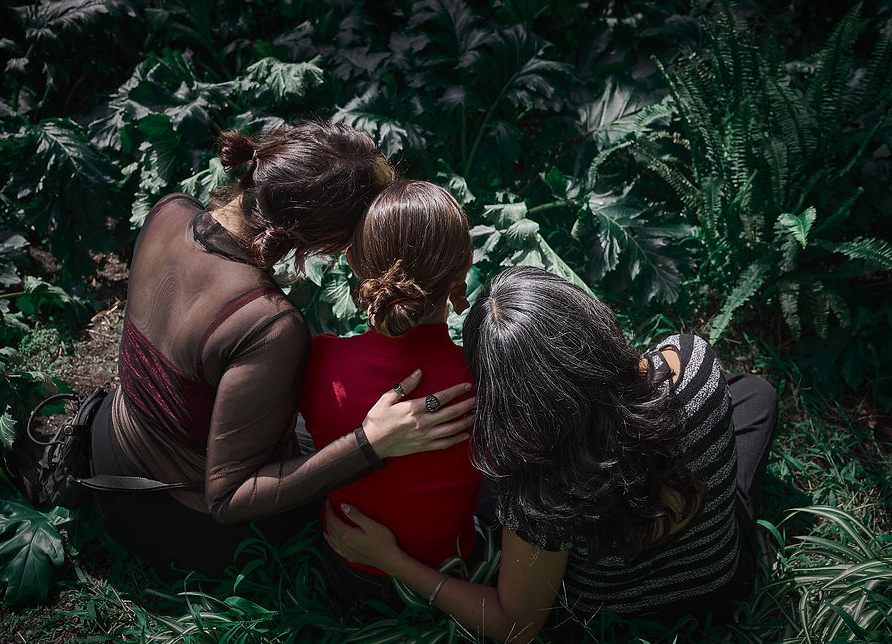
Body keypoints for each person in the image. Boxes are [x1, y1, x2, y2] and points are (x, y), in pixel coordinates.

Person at [90, 122, 475, 576]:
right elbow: (227, 499)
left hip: (107, 454)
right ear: (330, 241)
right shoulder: (268, 323)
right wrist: (370, 444)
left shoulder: (168, 210)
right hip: (179, 522)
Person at [325, 266, 777, 641]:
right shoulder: (694, 361)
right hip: (719, 579)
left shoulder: (540, 491)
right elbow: (625, 402)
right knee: (755, 392)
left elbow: (515, 625)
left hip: (612, 618)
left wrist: (393, 561)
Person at [300, 179, 482, 607]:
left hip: (352, 571)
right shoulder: (483, 377)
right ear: (462, 275)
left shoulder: (320, 362)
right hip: (455, 570)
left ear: (351, 262)